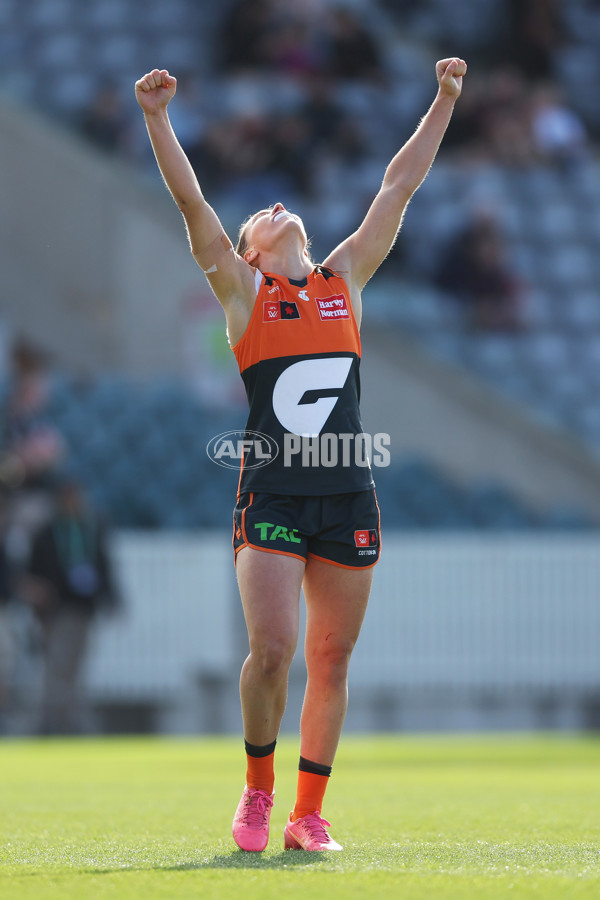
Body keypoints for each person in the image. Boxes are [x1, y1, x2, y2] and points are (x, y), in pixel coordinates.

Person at [135, 56, 466, 852]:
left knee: (331, 658)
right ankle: (256, 794)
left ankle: (307, 817)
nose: (274, 209)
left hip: (348, 495)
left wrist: (445, 100)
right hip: (275, 497)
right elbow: (191, 203)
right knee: (272, 652)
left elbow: (398, 186)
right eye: (258, 217)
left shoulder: (341, 282)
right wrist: (156, 119)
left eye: (281, 209)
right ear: (246, 253)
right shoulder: (246, 297)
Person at [24, 475, 120, 735]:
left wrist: (111, 597)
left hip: (84, 607)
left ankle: (69, 721)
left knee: (75, 666)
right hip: (56, 609)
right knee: (57, 665)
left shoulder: (91, 528)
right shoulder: (46, 533)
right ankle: (53, 723)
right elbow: (32, 572)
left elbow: (103, 565)